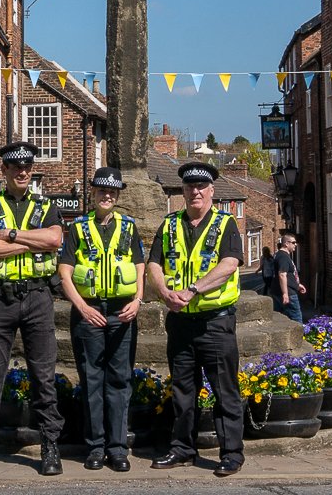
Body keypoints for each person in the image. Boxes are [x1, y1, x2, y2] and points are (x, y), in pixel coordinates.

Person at [0, 141, 65, 481]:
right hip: (0, 301)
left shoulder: (45, 205)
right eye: (16, 167)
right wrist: (27, 241)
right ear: (3, 171)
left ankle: (50, 448)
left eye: (28, 167)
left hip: (37, 298)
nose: (23, 172)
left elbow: (54, 241)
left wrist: (12, 236)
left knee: (43, 378)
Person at [147, 161, 245, 478]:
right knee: (182, 392)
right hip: (180, 322)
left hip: (215, 321)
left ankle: (231, 454)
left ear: (211, 191)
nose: (195, 192)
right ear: (183, 192)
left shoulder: (226, 223)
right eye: (190, 187)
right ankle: (182, 449)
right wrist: (164, 292)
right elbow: (154, 264)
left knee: (224, 391)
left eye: (201, 187)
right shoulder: (170, 223)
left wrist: (192, 290)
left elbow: (230, 264)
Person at [58, 167, 144, 473]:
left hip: (122, 311)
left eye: (112, 192)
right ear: (93, 194)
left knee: (120, 381)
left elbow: (139, 264)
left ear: (117, 196)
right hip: (89, 311)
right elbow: (65, 271)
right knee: (92, 381)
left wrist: (138, 300)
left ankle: (118, 449)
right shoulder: (78, 227)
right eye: (101, 191)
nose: (106, 196)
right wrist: (82, 307)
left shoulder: (129, 226)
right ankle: (95, 447)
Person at [271, 233, 306, 323]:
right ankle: (298, 337)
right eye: (293, 242)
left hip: (283, 291)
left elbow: (289, 275)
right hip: (288, 294)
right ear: (287, 243)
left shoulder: (281, 255)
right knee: (297, 320)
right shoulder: (283, 256)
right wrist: (285, 294)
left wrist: (297, 285)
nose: (296, 244)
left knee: (281, 320)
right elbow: (282, 274)